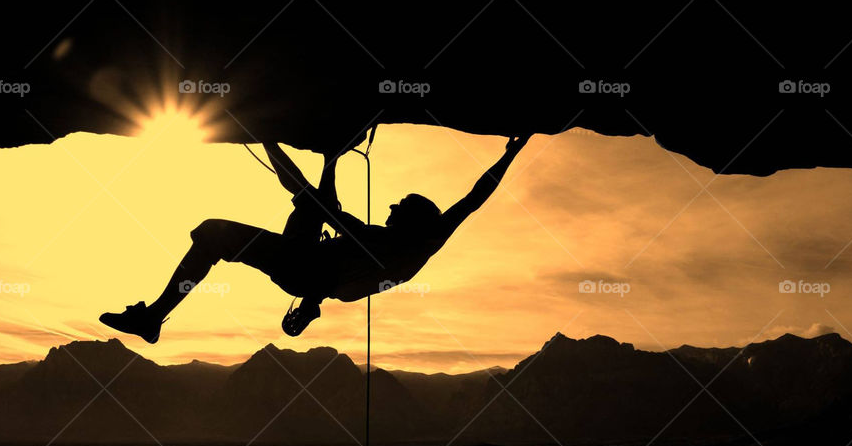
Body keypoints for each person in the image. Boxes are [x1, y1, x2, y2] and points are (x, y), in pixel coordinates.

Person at [99, 133, 531, 343]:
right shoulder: (421, 242)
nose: (390, 208)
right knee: (306, 203)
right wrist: (510, 153)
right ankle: (153, 317)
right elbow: (473, 199)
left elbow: (329, 210)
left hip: (304, 267)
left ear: (411, 218)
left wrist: (330, 160)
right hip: (312, 272)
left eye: (398, 207)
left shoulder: (390, 242)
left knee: (219, 233)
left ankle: (153, 317)